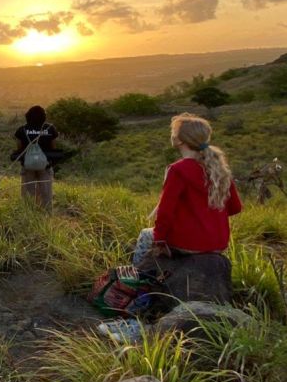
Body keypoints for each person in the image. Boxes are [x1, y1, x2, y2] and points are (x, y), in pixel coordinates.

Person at [99, 113, 242, 342]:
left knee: (146, 237)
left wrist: (159, 243)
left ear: (179, 140)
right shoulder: (219, 168)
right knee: (152, 240)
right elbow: (235, 208)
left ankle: (137, 301)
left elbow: (165, 214)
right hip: (216, 246)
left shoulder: (178, 169)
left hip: (188, 244)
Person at [14, 105, 58, 211]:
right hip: (45, 165)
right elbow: (53, 147)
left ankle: (28, 213)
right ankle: (46, 214)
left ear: (28, 116)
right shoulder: (50, 128)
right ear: (44, 117)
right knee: (46, 192)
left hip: (27, 165)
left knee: (27, 193)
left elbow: (19, 148)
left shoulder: (22, 129)